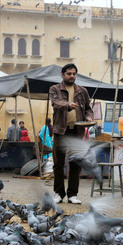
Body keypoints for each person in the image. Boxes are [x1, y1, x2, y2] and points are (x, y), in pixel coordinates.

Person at [50, 63, 94, 205]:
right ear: (62, 75)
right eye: (69, 73)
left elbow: (88, 108)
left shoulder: (82, 91)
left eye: (74, 74)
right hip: (60, 130)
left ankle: (72, 194)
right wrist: (69, 105)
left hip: (77, 130)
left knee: (76, 163)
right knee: (58, 163)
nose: (72, 76)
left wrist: (89, 117)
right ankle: (58, 193)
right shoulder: (55, 89)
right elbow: (56, 103)